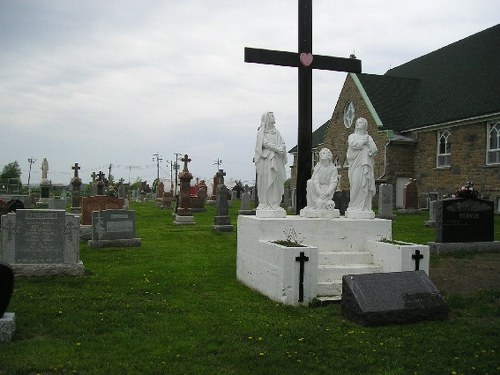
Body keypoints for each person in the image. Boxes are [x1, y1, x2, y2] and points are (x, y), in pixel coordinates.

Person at [254, 112, 287, 211]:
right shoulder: (262, 132)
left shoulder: (276, 132)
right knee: (266, 180)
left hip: (276, 160)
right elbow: (264, 143)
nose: (274, 117)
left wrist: (281, 148)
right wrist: (277, 149)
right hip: (266, 161)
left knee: (276, 181)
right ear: (267, 118)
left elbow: (282, 142)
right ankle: (265, 203)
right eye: (272, 116)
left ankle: (275, 203)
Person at [346, 117, 378, 212]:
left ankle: (365, 207)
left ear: (365, 125)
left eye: (361, 122)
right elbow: (352, 145)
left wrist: (369, 147)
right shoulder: (352, 136)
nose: (358, 124)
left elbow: (374, 150)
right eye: (357, 122)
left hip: (366, 164)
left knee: (366, 184)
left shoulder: (369, 138)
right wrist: (363, 142)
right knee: (355, 183)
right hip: (356, 164)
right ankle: (354, 205)